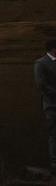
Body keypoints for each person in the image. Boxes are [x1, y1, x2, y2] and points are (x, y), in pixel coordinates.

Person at [35, 38, 56, 174]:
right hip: (52, 105)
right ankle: (54, 163)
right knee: (54, 134)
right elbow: (41, 84)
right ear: (53, 49)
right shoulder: (41, 63)